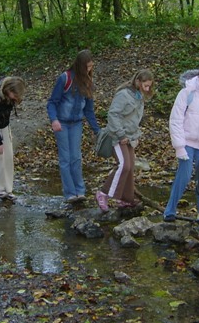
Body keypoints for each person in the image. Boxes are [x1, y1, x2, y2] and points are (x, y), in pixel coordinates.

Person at [163, 62, 199, 232]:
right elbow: (176, 119)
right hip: (187, 142)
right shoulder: (187, 92)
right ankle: (170, 210)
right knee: (184, 175)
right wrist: (179, 146)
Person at [95, 69, 154, 212]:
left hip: (130, 137)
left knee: (131, 165)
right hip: (117, 136)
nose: (147, 89)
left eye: (149, 86)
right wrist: (121, 135)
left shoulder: (139, 96)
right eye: (145, 86)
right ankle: (103, 193)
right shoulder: (124, 95)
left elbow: (133, 119)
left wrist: (135, 136)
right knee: (124, 165)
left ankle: (125, 198)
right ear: (138, 82)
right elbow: (113, 115)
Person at [47, 50, 101, 204]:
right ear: (79, 65)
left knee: (76, 158)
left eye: (91, 67)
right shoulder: (65, 78)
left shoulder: (88, 82)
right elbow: (52, 102)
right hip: (62, 123)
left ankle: (80, 191)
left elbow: (89, 110)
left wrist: (97, 130)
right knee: (65, 158)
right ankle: (70, 193)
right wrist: (54, 120)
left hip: (77, 124)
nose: (89, 70)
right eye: (87, 67)